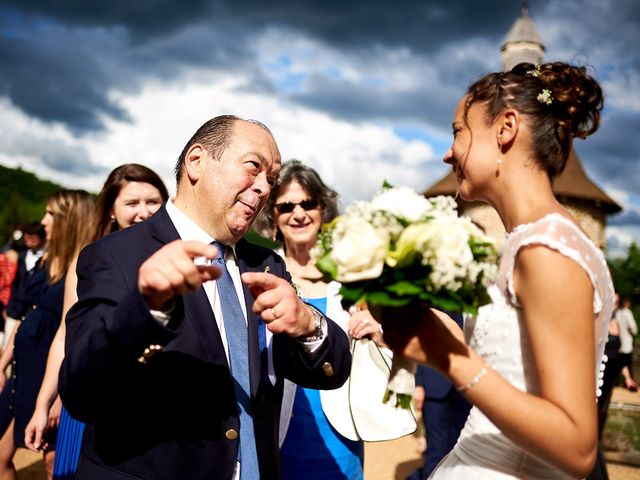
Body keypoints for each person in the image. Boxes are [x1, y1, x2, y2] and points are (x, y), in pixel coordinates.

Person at [59, 115, 351, 479]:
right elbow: (81, 392)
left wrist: (308, 324)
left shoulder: (266, 264)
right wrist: (147, 310)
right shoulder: (115, 255)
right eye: (253, 167)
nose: (263, 188)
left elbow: (333, 371)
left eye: (271, 179)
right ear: (196, 161)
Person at [381, 62, 615, 479]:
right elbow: (507, 361)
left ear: (506, 128)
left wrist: (451, 362)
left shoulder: (546, 249)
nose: (448, 152)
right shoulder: (528, 243)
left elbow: (578, 447)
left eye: (458, 131)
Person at [24, 164, 169, 479]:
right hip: (91, 398)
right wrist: (45, 402)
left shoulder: (177, 260)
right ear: (112, 211)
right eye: (132, 203)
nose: (144, 212)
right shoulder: (91, 258)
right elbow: (65, 336)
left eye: (153, 202)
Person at [254, 159, 383, 479]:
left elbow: (386, 342)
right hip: (277, 430)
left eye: (307, 203)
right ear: (273, 217)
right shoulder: (261, 273)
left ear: (323, 210)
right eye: (285, 207)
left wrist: (379, 333)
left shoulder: (354, 274)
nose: (298, 214)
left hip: (340, 431)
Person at [0, 190, 95, 480]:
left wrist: (57, 399)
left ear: (71, 220)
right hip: (23, 376)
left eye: (51, 214)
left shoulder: (86, 269)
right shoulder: (46, 264)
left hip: (50, 380)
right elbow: (27, 314)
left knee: (56, 466)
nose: (43, 221)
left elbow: (74, 337)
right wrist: (3, 363)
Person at [407, 313, 471, 480]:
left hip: (468, 383)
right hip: (434, 381)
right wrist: (418, 381)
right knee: (437, 450)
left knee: (462, 447)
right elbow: (416, 330)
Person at [2, 222, 46, 349]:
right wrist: (9, 306)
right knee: (7, 346)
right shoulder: (22, 255)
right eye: (27, 238)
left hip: (32, 311)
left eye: (32, 238)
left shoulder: (46, 259)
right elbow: (15, 284)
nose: (29, 242)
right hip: (15, 309)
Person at [616, 296, 638, 391]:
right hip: (626, 343)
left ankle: (626, 381)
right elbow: (633, 328)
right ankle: (628, 382)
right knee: (625, 363)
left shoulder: (618, 313)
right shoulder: (627, 313)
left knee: (620, 363)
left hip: (617, 342)